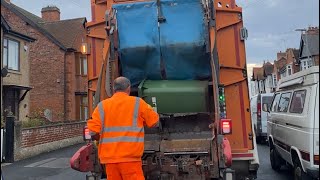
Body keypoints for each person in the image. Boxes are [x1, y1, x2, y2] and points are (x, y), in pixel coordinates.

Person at [87, 76, 159, 180]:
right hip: (130, 159)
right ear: (129, 88)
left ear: (114, 89)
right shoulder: (138, 103)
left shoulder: (102, 106)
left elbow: (93, 132)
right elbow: (154, 122)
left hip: (110, 160)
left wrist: (99, 139)